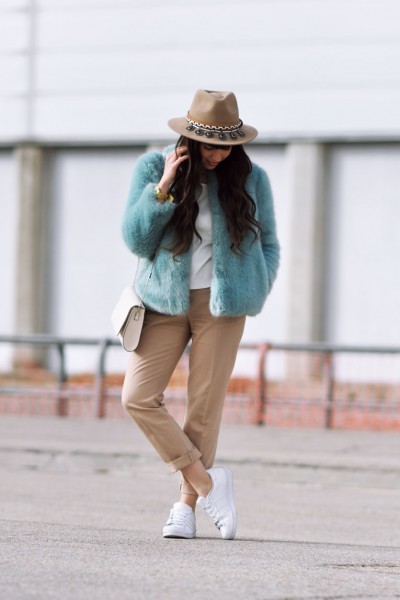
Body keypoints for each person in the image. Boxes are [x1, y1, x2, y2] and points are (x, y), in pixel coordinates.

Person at [121, 89, 280, 540]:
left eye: (226, 146)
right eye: (209, 145)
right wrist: (164, 188)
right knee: (136, 397)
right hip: (163, 302)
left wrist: (258, 284)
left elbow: (269, 242)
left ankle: (186, 507)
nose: (217, 154)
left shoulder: (251, 180)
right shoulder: (154, 168)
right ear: (190, 140)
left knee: (203, 408)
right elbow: (135, 240)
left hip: (222, 305)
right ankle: (210, 484)